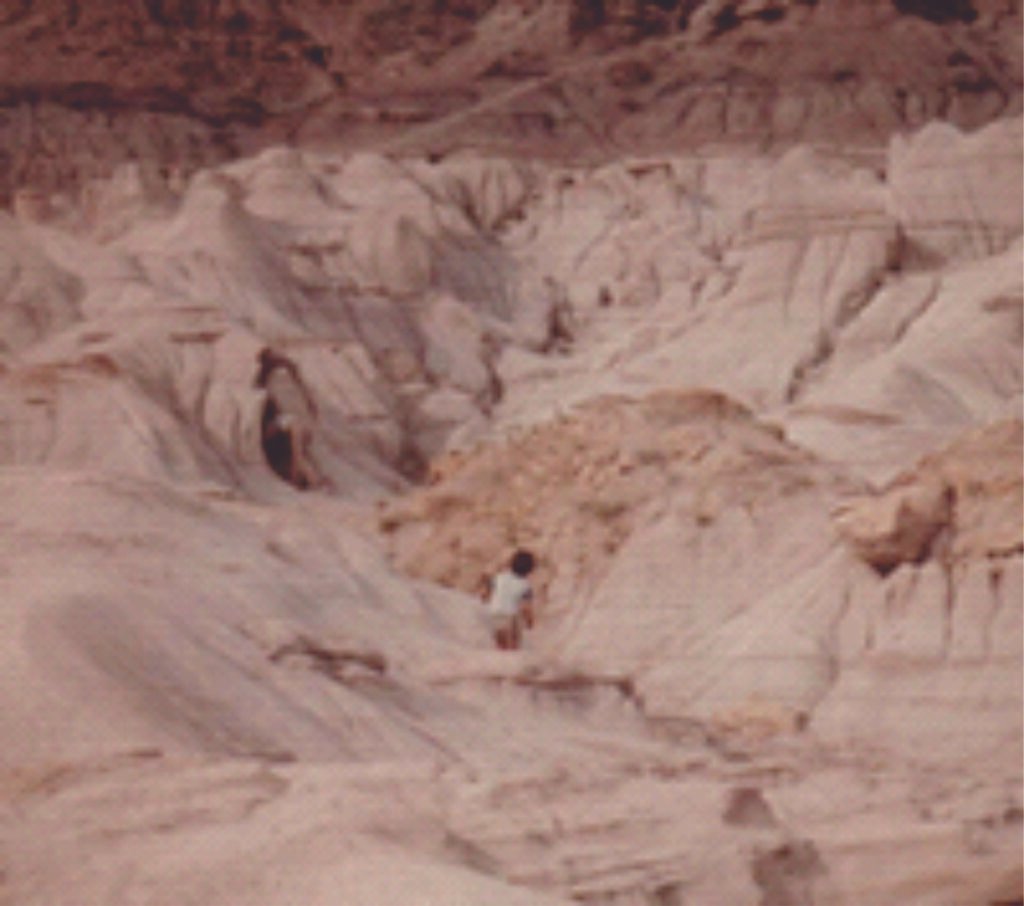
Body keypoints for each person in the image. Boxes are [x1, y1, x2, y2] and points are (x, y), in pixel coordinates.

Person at [254, 347, 322, 489]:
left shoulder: (276, 376)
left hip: (293, 424)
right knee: (299, 455)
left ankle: (307, 482)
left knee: (298, 455)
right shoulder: (290, 374)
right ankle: (302, 480)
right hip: (299, 424)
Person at [484, 549, 537, 651]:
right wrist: (530, 621)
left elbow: (488, 588)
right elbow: (526, 608)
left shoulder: (500, 577)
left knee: (500, 644)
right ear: (530, 570)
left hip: (494, 613)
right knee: (513, 644)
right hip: (510, 616)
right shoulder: (525, 586)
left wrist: (486, 598)